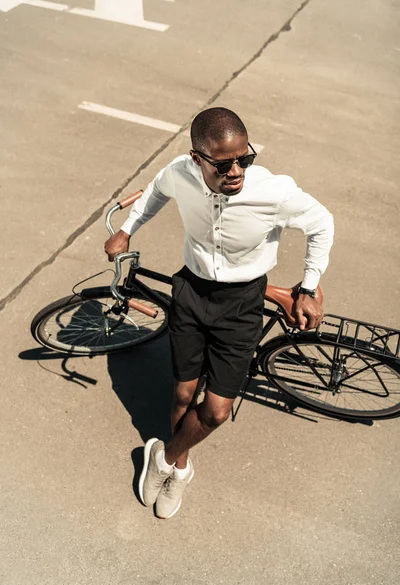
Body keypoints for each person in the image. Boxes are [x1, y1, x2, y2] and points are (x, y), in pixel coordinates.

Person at [105, 107, 334, 519]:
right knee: (181, 393)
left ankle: (166, 457)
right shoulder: (181, 171)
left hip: (242, 303)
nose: (236, 171)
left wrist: (310, 283)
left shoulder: (273, 192)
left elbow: (321, 222)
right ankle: (178, 468)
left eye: (245, 159)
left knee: (216, 411)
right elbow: (157, 190)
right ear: (198, 159)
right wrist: (126, 230)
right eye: (223, 163)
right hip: (191, 291)